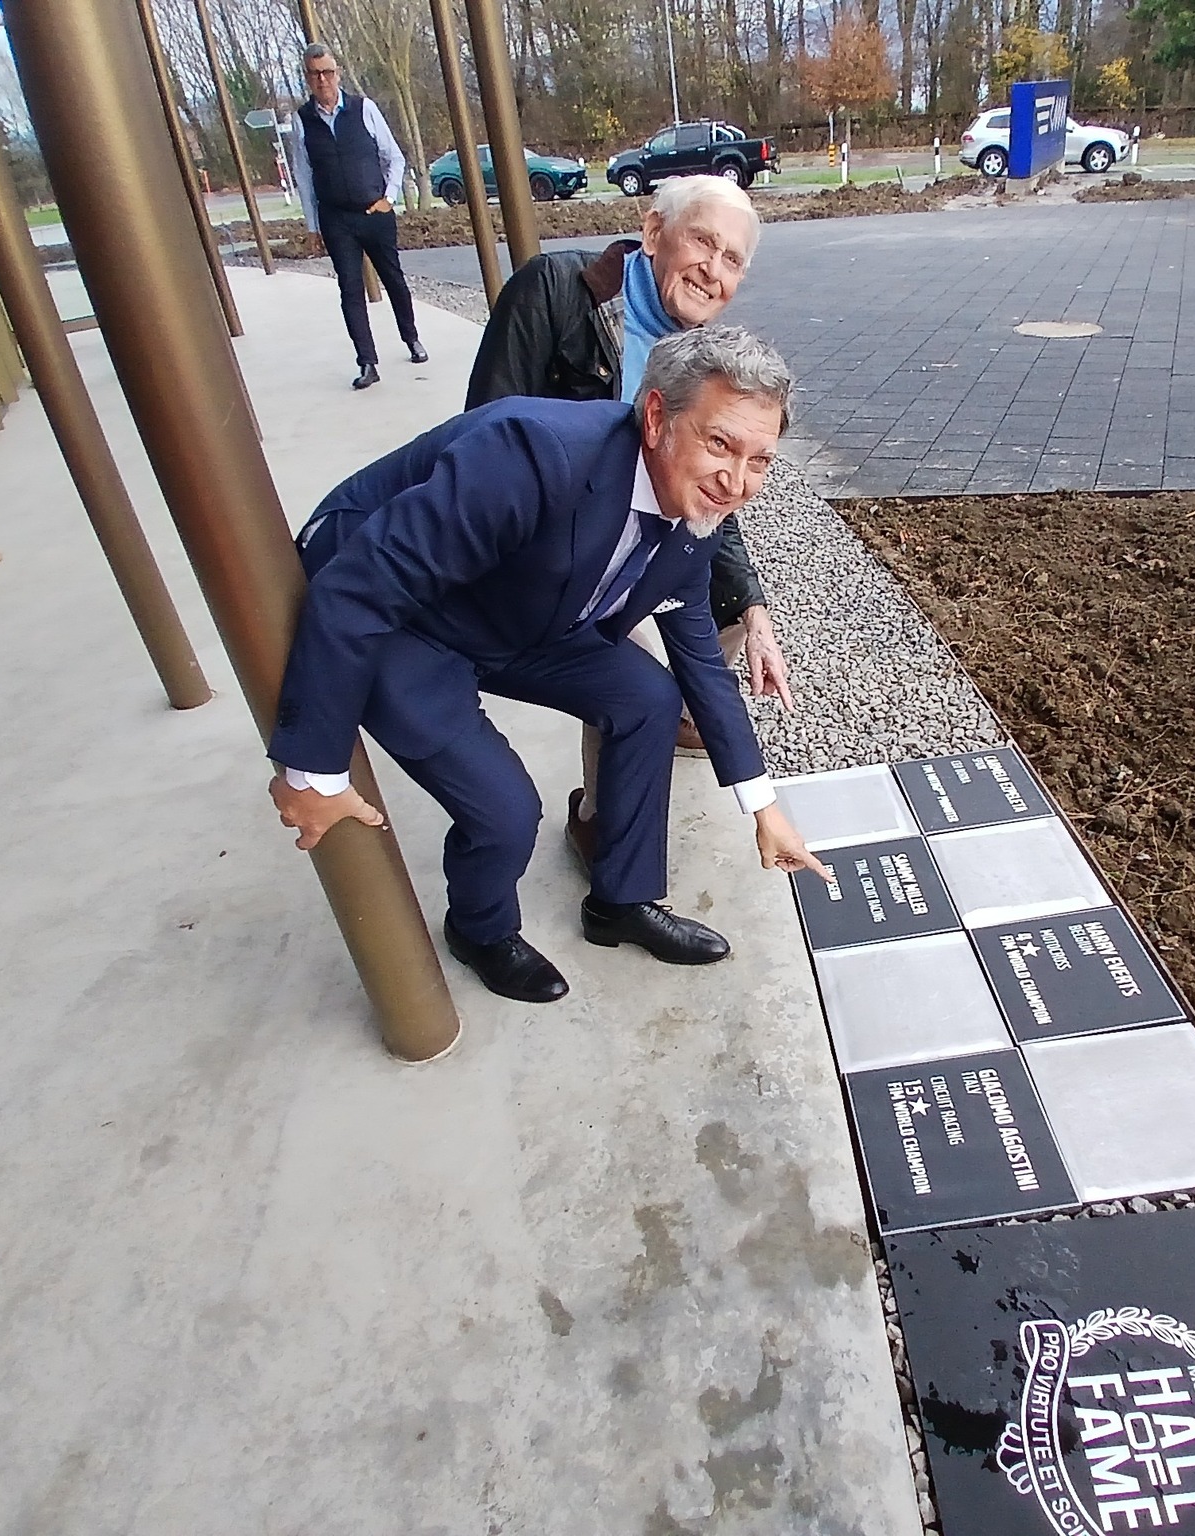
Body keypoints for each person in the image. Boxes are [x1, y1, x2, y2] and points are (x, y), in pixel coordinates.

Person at [268, 326, 826, 1005]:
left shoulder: (697, 510)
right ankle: (480, 930)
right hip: (407, 615)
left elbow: (701, 658)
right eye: (719, 444)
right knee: (506, 810)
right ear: (656, 418)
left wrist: (764, 808)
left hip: (525, 605)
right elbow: (358, 589)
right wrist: (311, 771)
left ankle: (620, 901)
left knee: (648, 698)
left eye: (759, 461)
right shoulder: (534, 453)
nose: (736, 482)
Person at [465, 175, 790, 866]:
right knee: (631, 663)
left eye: (733, 259)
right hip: (558, 547)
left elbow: (710, 498)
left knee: (728, 609)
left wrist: (754, 608)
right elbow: (484, 434)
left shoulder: (704, 359)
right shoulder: (558, 292)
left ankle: (684, 716)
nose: (713, 269)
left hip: (642, 529)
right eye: (702, 241)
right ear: (652, 232)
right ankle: (599, 818)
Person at [286, 43, 426, 391]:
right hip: (336, 218)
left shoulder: (364, 109)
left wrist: (389, 198)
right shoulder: (302, 121)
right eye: (314, 74)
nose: (322, 80)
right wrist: (313, 226)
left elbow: (394, 157)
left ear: (338, 74)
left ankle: (412, 338)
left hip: (374, 212)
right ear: (307, 78)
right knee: (350, 289)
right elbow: (304, 175)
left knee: (394, 279)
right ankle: (367, 362)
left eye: (327, 72)